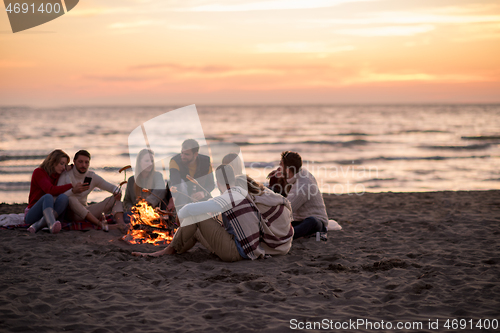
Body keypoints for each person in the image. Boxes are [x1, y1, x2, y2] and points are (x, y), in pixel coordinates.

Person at [132, 164, 293, 261]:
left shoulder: (232, 194)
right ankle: (174, 250)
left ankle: (168, 250)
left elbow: (188, 210)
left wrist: (180, 219)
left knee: (196, 217)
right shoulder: (242, 193)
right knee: (194, 229)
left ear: (218, 182)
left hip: (237, 252)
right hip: (245, 248)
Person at [58, 150, 125, 230]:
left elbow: (113, 188)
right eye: (80, 162)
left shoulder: (91, 176)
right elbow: (59, 198)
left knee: (115, 198)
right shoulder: (66, 175)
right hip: (71, 214)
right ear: (74, 161)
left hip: (87, 212)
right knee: (71, 198)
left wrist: (117, 192)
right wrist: (73, 191)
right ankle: (102, 225)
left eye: (86, 162)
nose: (83, 165)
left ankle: (121, 224)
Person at [25, 149, 87, 234]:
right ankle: (50, 224)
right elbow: (50, 190)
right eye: (61, 163)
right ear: (53, 161)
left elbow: (71, 168)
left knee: (64, 197)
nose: (63, 167)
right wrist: (72, 186)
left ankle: (41, 225)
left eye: (65, 164)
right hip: (33, 215)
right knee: (48, 196)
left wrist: (72, 166)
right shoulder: (39, 172)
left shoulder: (57, 175)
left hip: (52, 214)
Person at [274, 151, 329, 239]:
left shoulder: (302, 186)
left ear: (288, 170)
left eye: (281, 165)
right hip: (298, 219)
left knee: (311, 222)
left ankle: (285, 237)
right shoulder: (301, 172)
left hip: (317, 223)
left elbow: (286, 211)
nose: (279, 167)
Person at [123, 149, 173, 221]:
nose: (150, 163)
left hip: (153, 212)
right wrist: (132, 208)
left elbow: (161, 190)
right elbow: (127, 201)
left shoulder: (157, 176)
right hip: (137, 213)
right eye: (147, 161)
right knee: (126, 217)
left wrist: (146, 203)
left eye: (152, 161)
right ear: (139, 162)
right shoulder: (131, 180)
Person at [169, 139, 215, 205]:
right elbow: (175, 182)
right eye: (182, 153)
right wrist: (172, 199)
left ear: (195, 154)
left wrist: (203, 193)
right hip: (182, 198)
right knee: (181, 183)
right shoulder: (175, 161)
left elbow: (211, 184)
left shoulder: (206, 162)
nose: (182, 156)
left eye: (186, 154)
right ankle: (182, 210)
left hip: (200, 198)